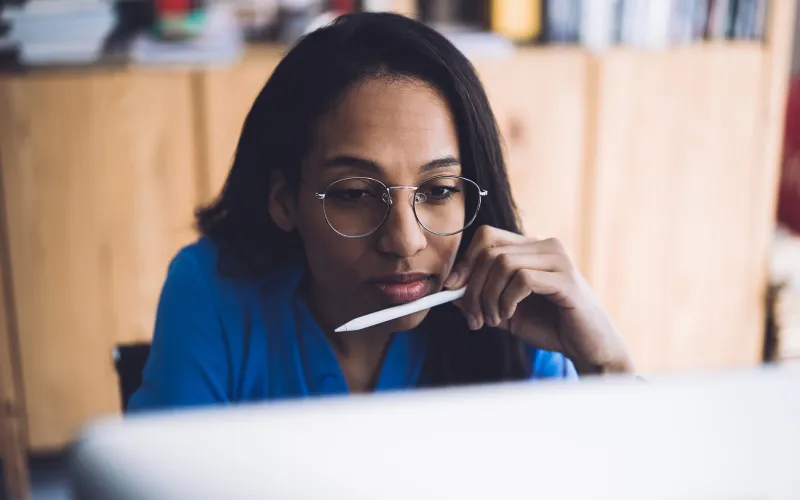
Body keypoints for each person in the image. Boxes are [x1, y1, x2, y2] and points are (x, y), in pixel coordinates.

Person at [128, 12, 634, 411]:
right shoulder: (211, 294)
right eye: (354, 193)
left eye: (437, 190)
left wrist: (605, 363)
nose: (404, 240)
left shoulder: (514, 309)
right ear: (285, 202)